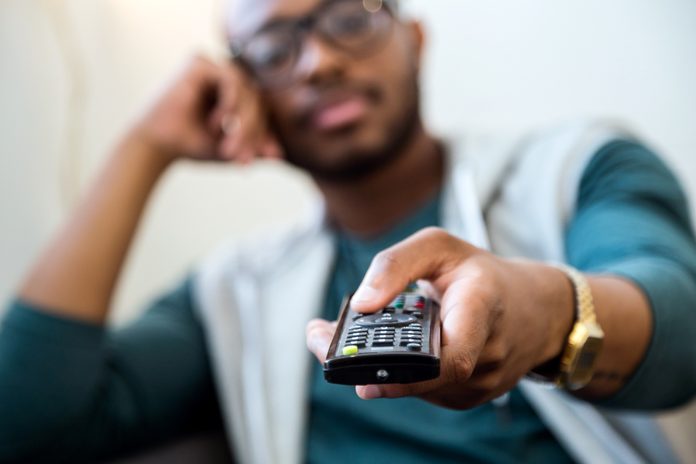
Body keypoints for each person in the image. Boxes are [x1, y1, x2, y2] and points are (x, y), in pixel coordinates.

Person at [2, 0, 696, 462]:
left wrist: (547, 316)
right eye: (275, 48)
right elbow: (28, 422)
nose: (320, 62)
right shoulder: (234, 291)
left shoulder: (579, 168)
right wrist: (142, 149)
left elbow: (681, 321)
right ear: (242, 92)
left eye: (350, 17)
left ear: (415, 39)